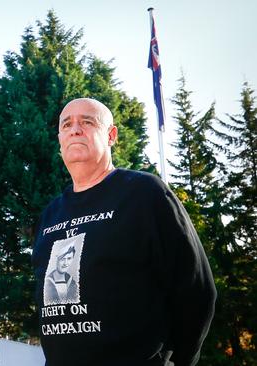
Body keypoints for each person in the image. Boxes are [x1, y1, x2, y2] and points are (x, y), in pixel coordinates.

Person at [32, 98, 216, 366]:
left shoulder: (145, 194)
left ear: (111, 135)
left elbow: (196, 289)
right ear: (59, 138)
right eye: (66, 124)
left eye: (87, 122)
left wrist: (178, 361)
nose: (75, 129)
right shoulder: (50, 214)